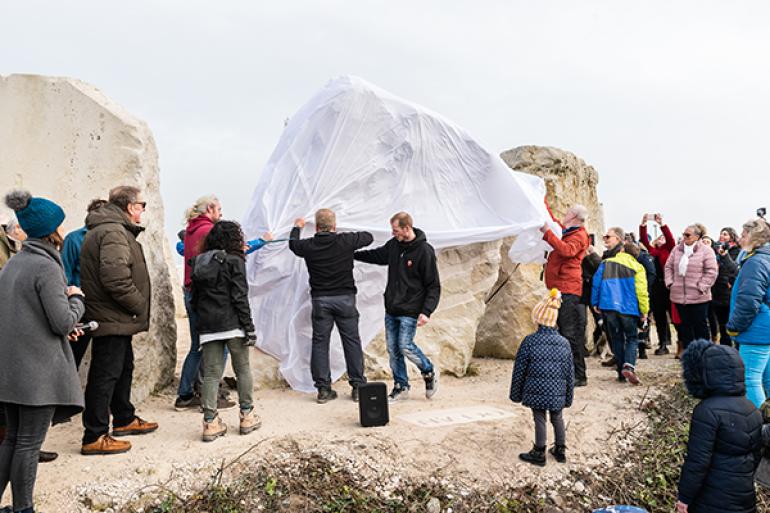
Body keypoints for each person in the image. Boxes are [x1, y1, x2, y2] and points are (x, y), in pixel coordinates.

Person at [0, 190, 86, 513]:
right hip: (36, 374)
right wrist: (76, 298)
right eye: (60, 224)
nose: (64, 229)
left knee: (12, 440)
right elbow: (62, 321)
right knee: (28, 444)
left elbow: (27, 317)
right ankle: (23, 509)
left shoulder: (15, 264)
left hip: (12, 371)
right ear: (51, 230)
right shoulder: (47, 267)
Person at [79, 185, 157, 455]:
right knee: (105, 375)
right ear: (129, 206)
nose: (142, 211)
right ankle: (94, 435)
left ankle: (123, 419)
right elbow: (115, 278)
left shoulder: (112, 229)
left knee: (122, 368)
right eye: (141, 205)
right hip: (111, 316)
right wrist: (139, 304)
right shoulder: (112, 231)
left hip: (115, 317)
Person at [289, 209, 373, 403]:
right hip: (345, 299)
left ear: (316, 227)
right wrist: (347, 231)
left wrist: (297, 227)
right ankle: (358, 386)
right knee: (351, 341)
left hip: (321, 300)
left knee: (320, 343)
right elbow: (368, 237)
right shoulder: (345, 241)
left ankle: (324, 389)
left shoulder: (309, 245)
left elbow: (293, 245)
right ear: (334, 226)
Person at [354, 212, 440, 402]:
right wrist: (352, 255)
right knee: (393, 350)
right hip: (392, 308)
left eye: (396, 230)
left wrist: (427, 311)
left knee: (405, 346)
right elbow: (377, 255)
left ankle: (428, 370)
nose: (393, 234)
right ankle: (401, 386)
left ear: (407, 228)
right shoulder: (394, 246)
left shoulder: (424, 251)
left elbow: (433, 285)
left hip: (411, 309)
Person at [190, 221, 261, 441]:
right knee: (242, 369)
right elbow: (240, 296)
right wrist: (249, 328)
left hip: (209, 325)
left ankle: (210, 422)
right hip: (233, 324)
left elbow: (194, 298)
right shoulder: (235, 261)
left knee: (211, 374)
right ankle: (247, 416)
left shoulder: (199, 262)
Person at [676, 340, 762, 513]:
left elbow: (698, 461)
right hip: (745, 497)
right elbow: (756, 456)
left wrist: (684, 497)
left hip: (712, 500)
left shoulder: (706, 411)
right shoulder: (752, 409)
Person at [510, 289, 574, 467]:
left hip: (535, 389)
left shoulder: (529, 341)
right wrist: (568, 397)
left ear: (538, 319)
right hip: (557, 391)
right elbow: (570, 373)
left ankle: (539, 452)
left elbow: (519, 369)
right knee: (557, 417)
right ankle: (560, 450)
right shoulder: (564, 343)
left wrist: (516, 394)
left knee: (539, 418)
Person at [539, 205, 590, 386]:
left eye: (568, 212)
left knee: (570, 333)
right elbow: (554, 222)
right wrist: (542, 205)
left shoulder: (579, 235)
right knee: (561, 331)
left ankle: (579, 375)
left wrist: (547, 234)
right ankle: (567, 372)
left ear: (575, 217)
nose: (565, 214)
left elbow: (567, 250)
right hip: (560, 288)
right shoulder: (569, 231)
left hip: (568, 289)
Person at [591, 227, 649, 384]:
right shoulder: (638, 267)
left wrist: (595, 302)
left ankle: (620, 373)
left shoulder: (606, 263)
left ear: (622, 250)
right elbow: (642, 292)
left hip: (608, 307)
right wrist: (644, 311)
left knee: (616, 338)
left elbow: (596, 284)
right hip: (629, 308)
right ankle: (629, 367)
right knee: (631, 337)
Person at [726, 218, 770, 408]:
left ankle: (758, 424)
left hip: (756, 330)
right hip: (765, 327)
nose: (740, 238)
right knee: (767, 379)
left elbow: (749, 301)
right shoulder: (764, 257)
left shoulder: (756, 262)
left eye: (743, 235)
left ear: (754, 237)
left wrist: (735, 327)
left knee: (750, 379)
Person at [60, 199, 108, 368]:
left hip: (105, 307)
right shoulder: (74, 239)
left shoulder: (111, 239)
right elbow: (64, 273)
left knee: (105, 360)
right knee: (73, 357)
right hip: (81, 305)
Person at [664, 224, 718, 350]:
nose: (684, 237)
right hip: (679, 297)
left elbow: (711, 271)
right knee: (685, 328)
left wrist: (701, 286)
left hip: (699, 297)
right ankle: (690, 357)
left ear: (697, 237)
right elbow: (668, 267)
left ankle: (705, 354)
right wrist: (670, 283)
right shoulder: (677, 250)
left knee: (700, 327)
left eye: (687, 235)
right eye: (683, 234)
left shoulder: (706, 251)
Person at [639, 213, 676, 356]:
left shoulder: (670, 249)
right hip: (656, 288)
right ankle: (663, 344)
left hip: (668, 287)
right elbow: (643, 240)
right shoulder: (653, 251)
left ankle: (680, 342)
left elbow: (670, 238)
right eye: (659, 237)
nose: (661, 239)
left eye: (663, 237)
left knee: (674, 317)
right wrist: (643, 224)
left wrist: (661, 224)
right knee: (659, 317)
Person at [701, 236, 738, 346]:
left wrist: (728, 281)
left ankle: (725, 343)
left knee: (724, 321)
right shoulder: (704, 256)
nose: (705, 243)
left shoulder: (724, 255)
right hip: (711, 291)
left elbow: (732, 270)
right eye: (703, 241)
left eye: (707, 241)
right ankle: (717, 340)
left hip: (724, 291)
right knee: (714, 319)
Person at [624, 242, 656, 359]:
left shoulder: (644, 258)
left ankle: (642, 349)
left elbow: (651, 274)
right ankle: (634, 349)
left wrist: (645, 290)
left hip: (643, 292)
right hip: (630, 294)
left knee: (643, 321)